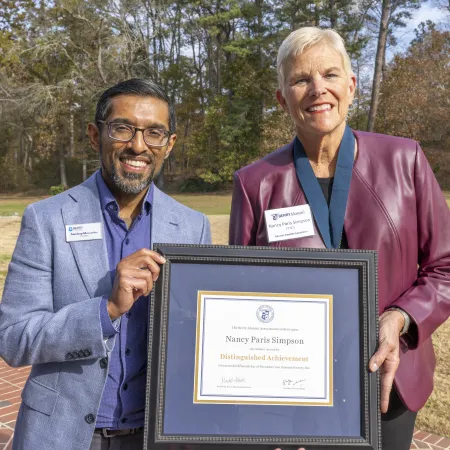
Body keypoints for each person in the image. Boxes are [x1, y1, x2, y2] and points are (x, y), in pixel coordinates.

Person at [229, 27, 450, 450]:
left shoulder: (406, 160)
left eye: (330, 75)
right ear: (282, 99)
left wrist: (400, 318)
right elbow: (240, 293)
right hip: (297, 390)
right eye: (300, 80)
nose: (317, 89)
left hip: (389, 376)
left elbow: (444, 266)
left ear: (351, 87)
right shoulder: (254, 183)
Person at [0, 78, 211, 450]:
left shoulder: (192, 226)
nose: (138, 145)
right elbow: (14, 338)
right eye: (122, 128)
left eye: (154, 133)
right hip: (61, 435)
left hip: (155, 436)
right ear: (95, 136)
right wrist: (105, 310)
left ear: (169, 144)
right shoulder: (47, 219)